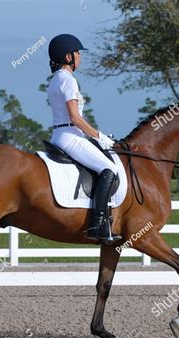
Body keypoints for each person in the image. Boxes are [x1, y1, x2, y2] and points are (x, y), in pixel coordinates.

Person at [47, 33, 121, 244]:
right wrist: (99, 136)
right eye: (77, 53)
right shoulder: (68, 80)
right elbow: (75, 117)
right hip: (70, 135)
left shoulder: (55, 80)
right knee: (109, 169)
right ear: (68, 56)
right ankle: (98, 225)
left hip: (60, 134)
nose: (80, 57)